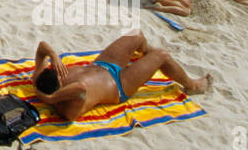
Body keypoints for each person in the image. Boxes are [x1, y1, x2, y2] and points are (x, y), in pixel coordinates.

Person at [30, 35, 210, 121]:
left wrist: (53, 55)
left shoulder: (40, 79)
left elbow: (41, 47)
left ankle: (146, 57)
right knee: (162, 55)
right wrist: (50, 98)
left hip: (101, 64)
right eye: (61, 79)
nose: (63, 74)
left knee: (136, 35)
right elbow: (82, 88)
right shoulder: (67, 107)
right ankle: (192, 85)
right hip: (119, 85)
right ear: (58, 91)